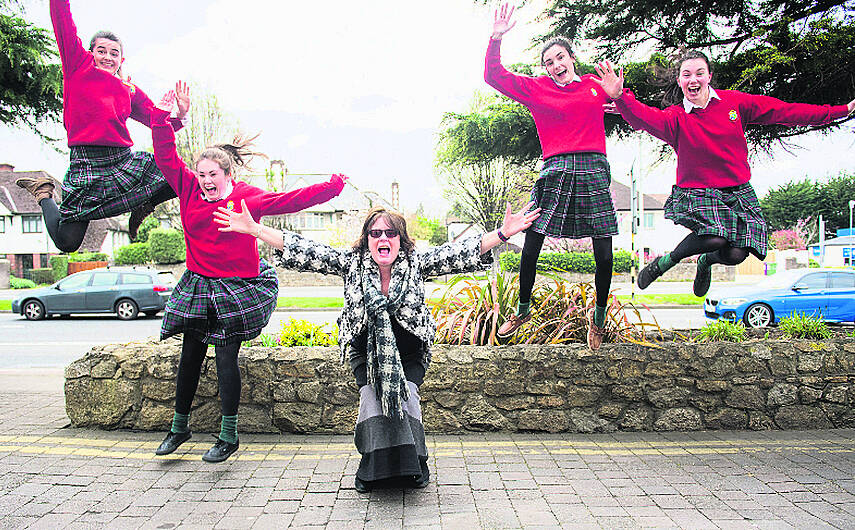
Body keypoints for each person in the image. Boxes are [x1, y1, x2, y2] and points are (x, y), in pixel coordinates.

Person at [213, 202, 540, 490]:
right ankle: (372, 468)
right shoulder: (350, 263)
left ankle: (415, 466)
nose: (383, 239)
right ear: (367, 239)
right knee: (372, 400)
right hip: (365, 350)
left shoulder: (416, 263)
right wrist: (255, 229)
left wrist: (503, 233)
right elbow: (305, 248)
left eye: (390, 233)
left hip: (410, 350)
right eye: (375, 233)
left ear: (401, 239)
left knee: (407, 398)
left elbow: (460, 252)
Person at [147, 103, 347, 463]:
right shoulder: (188, 188)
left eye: (213, 174)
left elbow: (290, 200)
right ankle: (179, 428)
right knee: (189, 355)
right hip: (199, 284)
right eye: (201, 173)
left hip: (237, 287)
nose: (206, 180)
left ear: (226, 173)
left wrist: (332, 188)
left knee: (225, 357)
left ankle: (229, 434)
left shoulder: (246, 198)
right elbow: (165, 155)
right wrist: (164, 117)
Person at [595, 54, 855, 296]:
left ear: (709, 76)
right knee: (715, 235)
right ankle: (664, 263)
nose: (693, 80)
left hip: (737, 191)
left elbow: (785, 111)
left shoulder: (735, 103)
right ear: (680, 81)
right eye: (686, 75)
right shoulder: (675, 117)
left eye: (699, 73)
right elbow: (643, 118)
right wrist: (620, 97)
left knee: (736, 255)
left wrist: (841, 110)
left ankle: (706, 261)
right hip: (698, 191)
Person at [484, 3, 618, 350]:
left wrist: (619, 95)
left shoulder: (594, 86)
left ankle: (599, 319)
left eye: (560, 58)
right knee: (532, 240)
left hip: (592, 169)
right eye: (549, 62)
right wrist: (496, 38)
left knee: (604, 254)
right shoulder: (537, 89)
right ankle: (523, 309)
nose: (556, 65)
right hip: (555, 170)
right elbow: (494, 76)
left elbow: (625, 105)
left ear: (572, 58)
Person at [15, 0, 189, 251]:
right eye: (102, 51)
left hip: (121, 161)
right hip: (85, 164)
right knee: (67, 243)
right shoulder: (77, 67)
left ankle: (143, 204)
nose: (107, 57)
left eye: (114, 53)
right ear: (91, 53)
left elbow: (156, 121)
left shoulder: (128, 89)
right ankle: (43, 193)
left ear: (121, 59)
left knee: (178, 178)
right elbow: (62, 22)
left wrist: (180, 115)